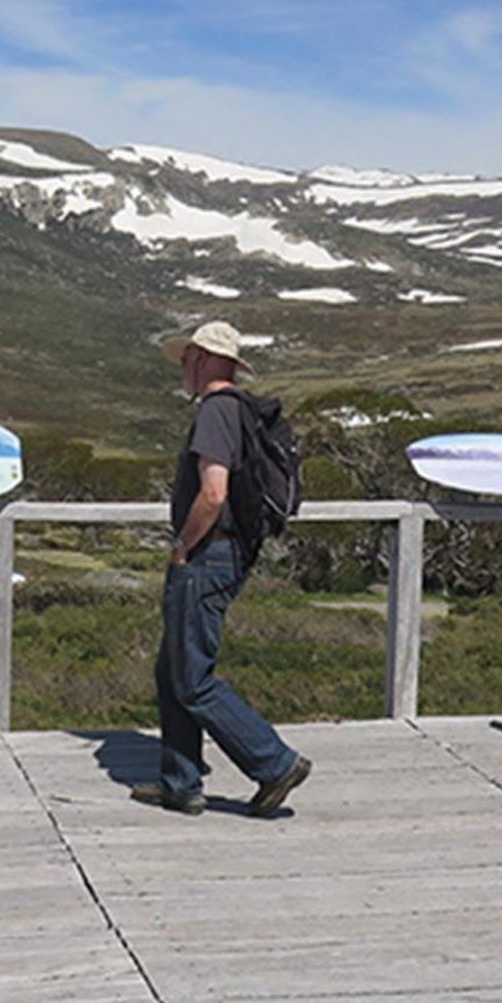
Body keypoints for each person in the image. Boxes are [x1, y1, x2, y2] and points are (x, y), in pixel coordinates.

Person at [130, 320, 312, 817]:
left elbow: (213, 494)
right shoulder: (240, 411)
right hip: (229, 552)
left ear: (205, 360)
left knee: (192, 679)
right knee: (173, 670)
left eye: (189, 358)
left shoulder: (215, 412)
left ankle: (273, 762)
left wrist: (181, 548)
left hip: (208, 554)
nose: (184, 368)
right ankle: (180, 782)